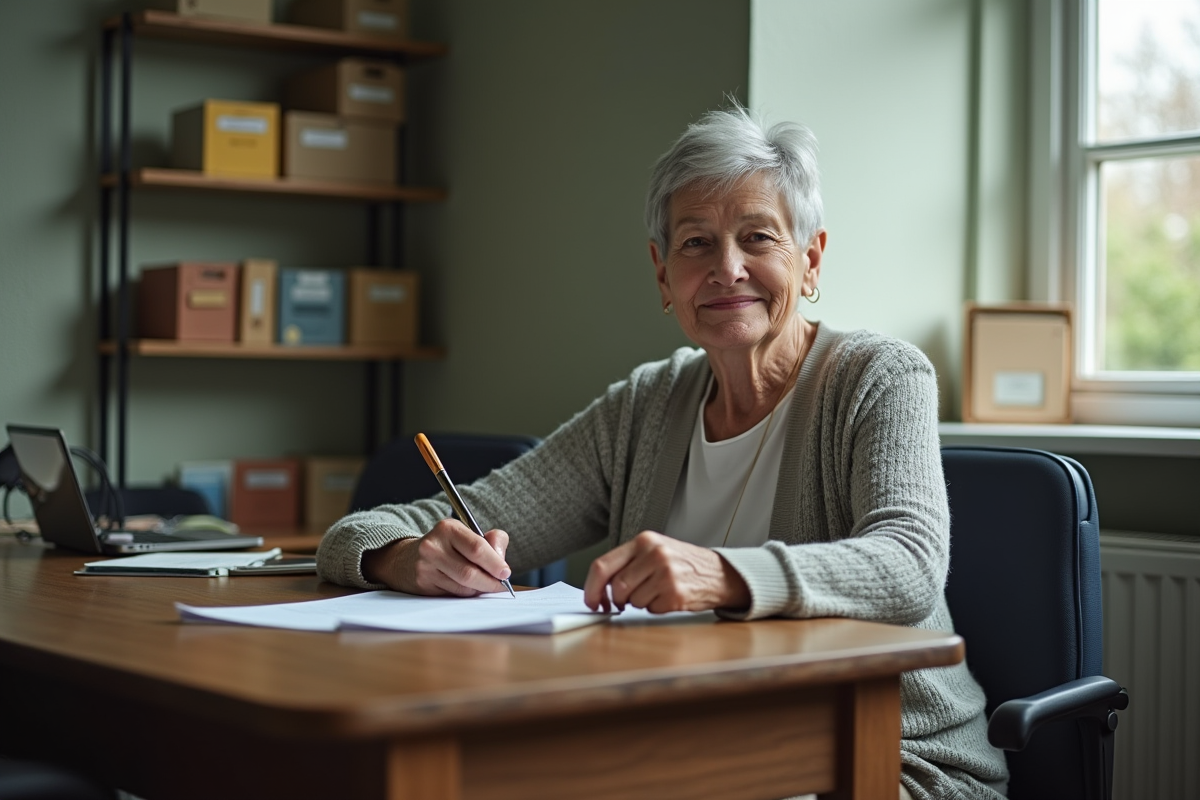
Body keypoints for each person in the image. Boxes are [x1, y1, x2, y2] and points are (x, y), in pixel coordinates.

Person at [316, 105, 1010, 800]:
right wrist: (400, 557)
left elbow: (910, 565)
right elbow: (372, 529)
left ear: (811, 258)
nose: (726, 268)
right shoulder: (648, 405)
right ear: (661, 272)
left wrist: (721, 576)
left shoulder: (879, 377)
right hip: (683, 748)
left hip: (882, 761)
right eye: (696, 243)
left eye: (757, 238)